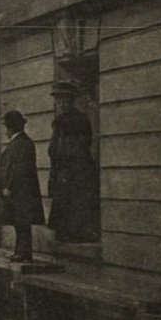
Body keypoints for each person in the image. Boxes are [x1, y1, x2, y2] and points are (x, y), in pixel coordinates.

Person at [47, 81, 100, 243]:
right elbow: (54, 149)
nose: (61, 104)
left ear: (71, 101)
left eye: (64, 101)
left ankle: (78, 235)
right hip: (63, 171)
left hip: (77, 172)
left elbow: (79, 147)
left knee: (76, 206)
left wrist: (65, 170)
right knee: (63, 211)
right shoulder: (59, 121)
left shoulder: (79, 120)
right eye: (58, 101)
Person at [0, 110, 45, 262]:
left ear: (12, 128)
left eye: (7, 127)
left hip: (21, 192)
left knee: (22, 222)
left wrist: (9, 187)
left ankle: (23, 253)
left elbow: (18, 168)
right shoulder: (21, 142)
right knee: (20, 222)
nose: (6, 131)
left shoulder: (22, 143)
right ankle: (21, 252)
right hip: (21, 191)